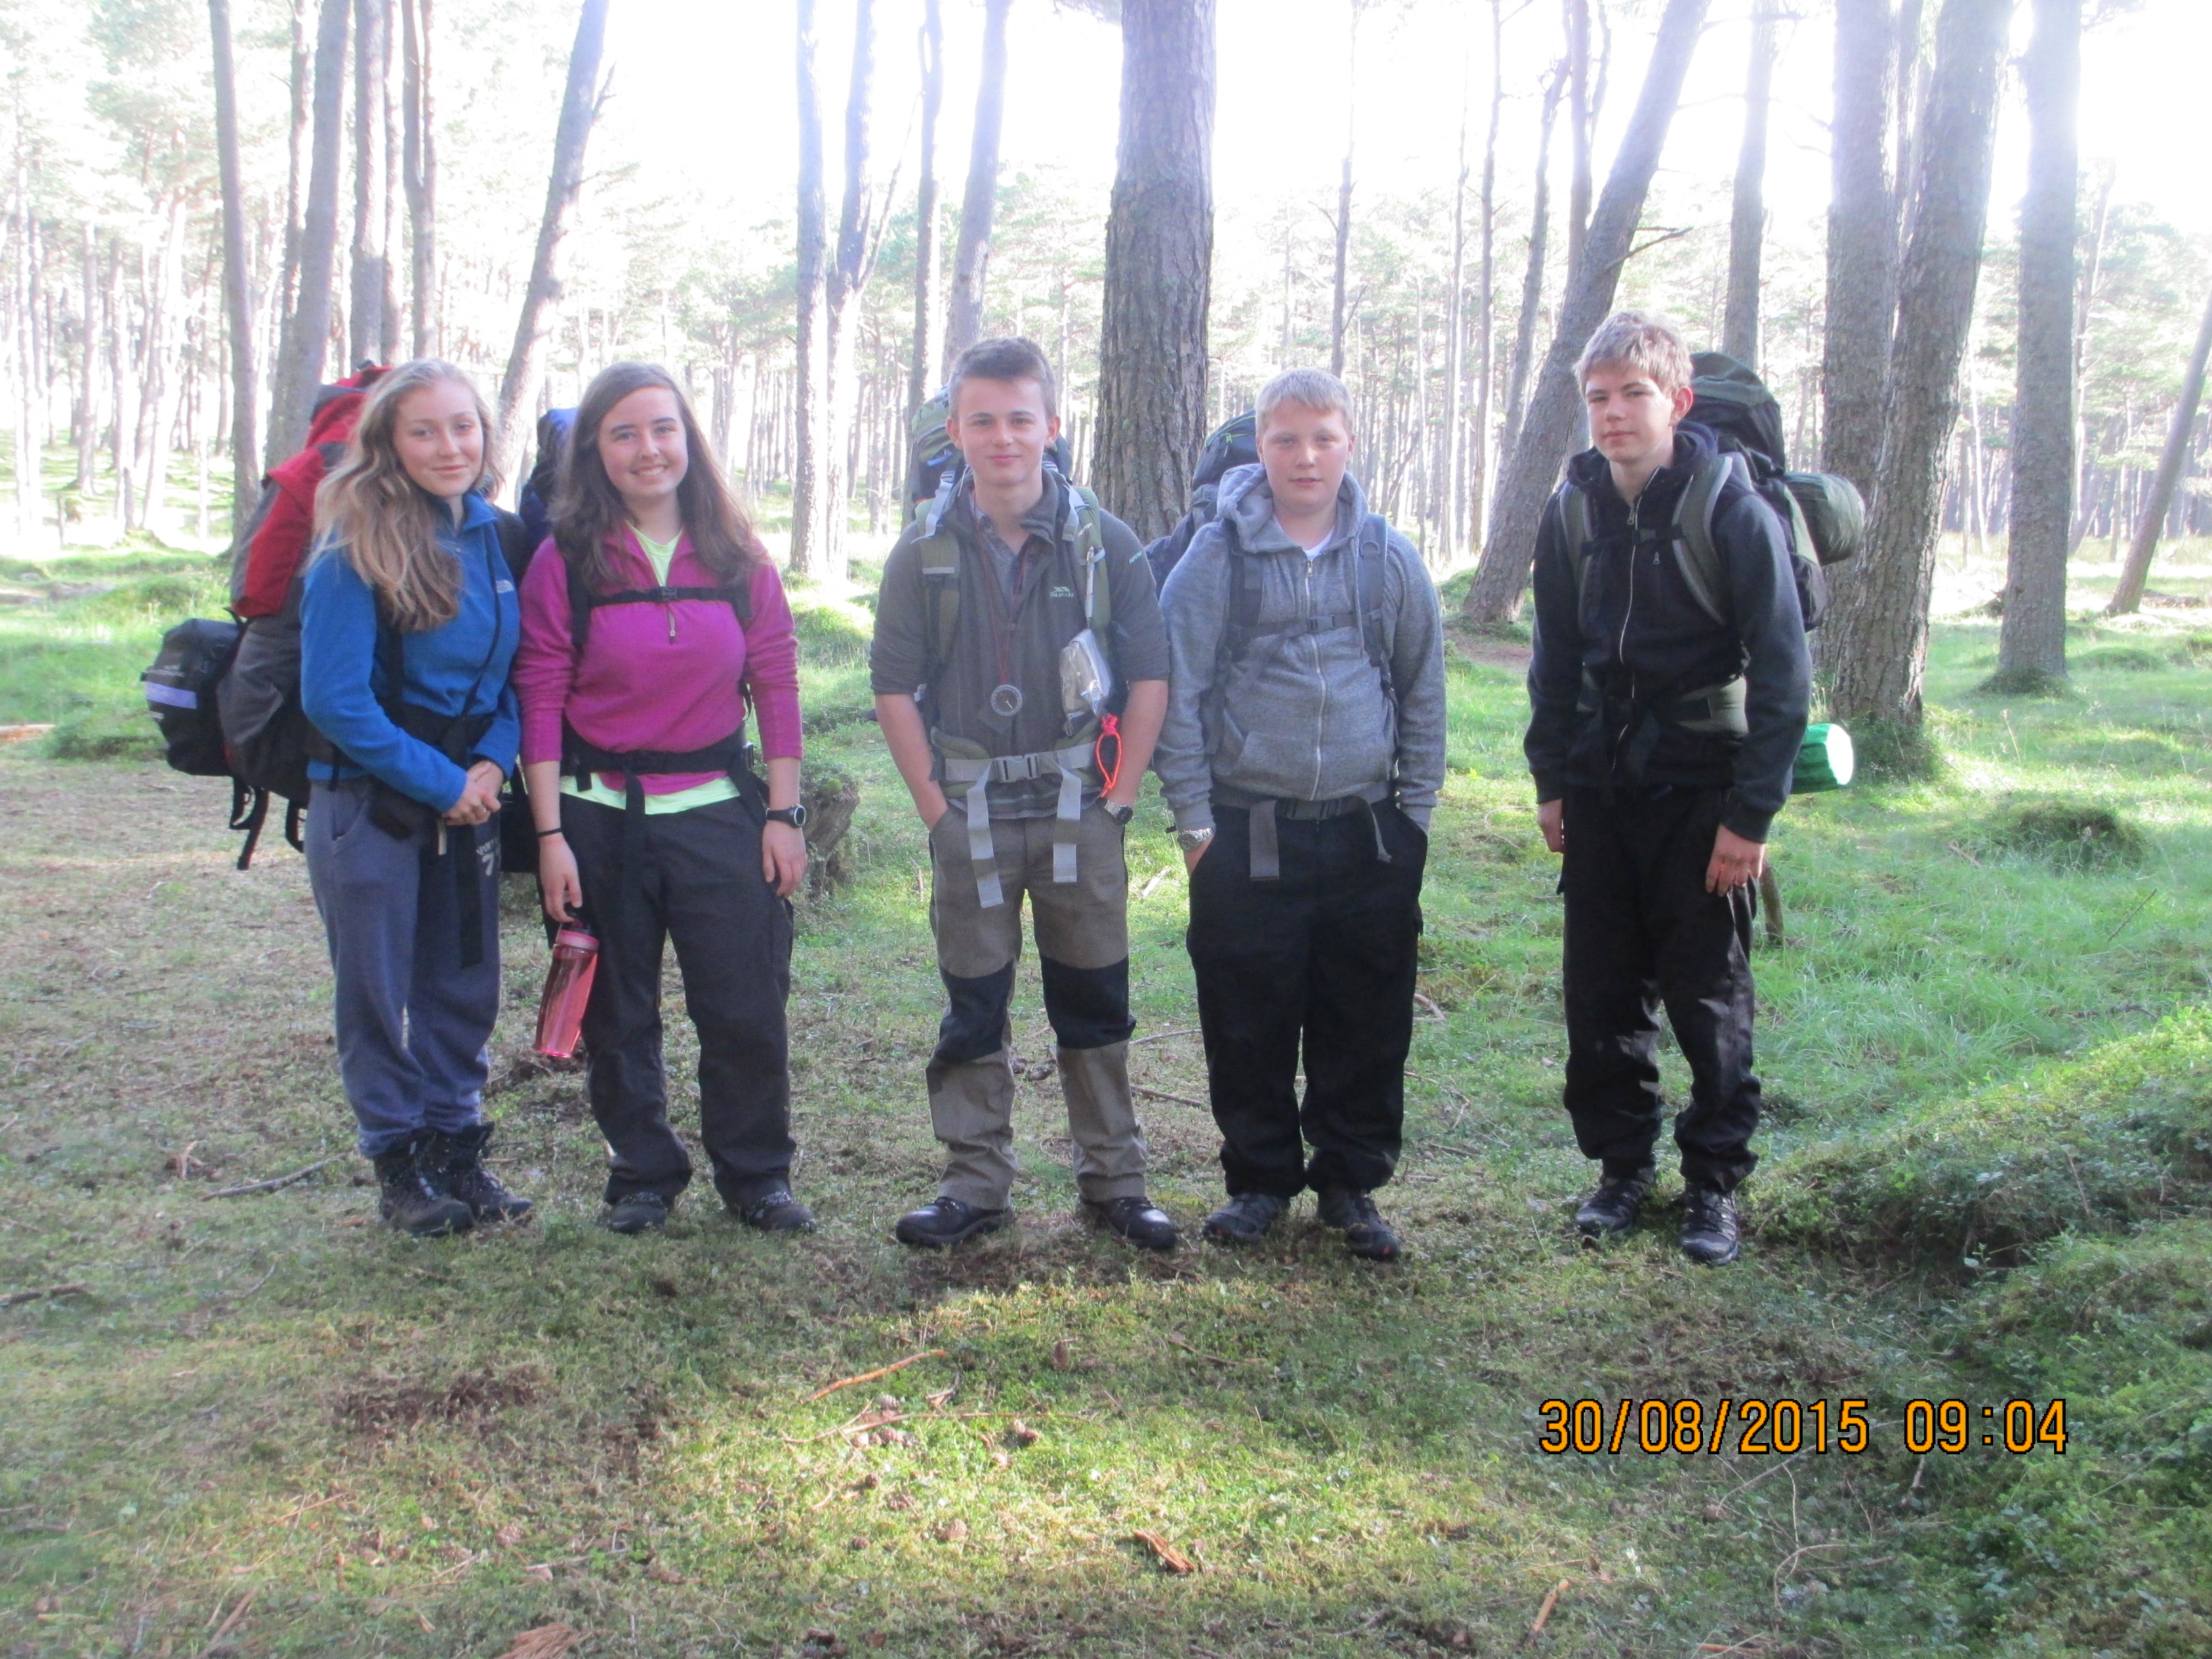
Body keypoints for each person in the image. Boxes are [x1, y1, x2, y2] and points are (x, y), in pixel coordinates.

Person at [869, 337, 1176, 1250]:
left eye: (1019, 418)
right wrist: (935, 811)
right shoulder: (922, 553)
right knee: (974, 1002)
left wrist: (1119, 802)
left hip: (1082, 813)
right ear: (956, 432)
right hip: (971, 818)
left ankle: (1115, 1182)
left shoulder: (1105, 543)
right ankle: (973, 1185)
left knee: (1095, 1001)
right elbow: (892, 688)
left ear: (1051, 426)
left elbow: (1150, 677)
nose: (1002, 438)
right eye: (983, 421)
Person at [1524, 310, 1811, 1267]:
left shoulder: (1731, 508)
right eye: (1598, 397)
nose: (1613, 413)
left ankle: (1714, 1186)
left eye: (1634, 394)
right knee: (1601, 995)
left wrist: (1750, 818)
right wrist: (1552, 781)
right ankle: (1621, 1169)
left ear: (1677, 401)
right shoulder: (1573, 509)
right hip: (1599, 787)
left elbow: (1783, 675)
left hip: (1703, 791)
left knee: (1708, 998)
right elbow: (1553, 660)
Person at [1154, 368, 1447, 1263]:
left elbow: (1423, 689)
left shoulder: (1387, 557)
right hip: (1247, 831)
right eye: (1286, 439)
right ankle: (1259, 1182)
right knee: (1247, 1015)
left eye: (1323, 438)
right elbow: (1176, 692)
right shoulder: (1217, 557)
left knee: (1366, 1017)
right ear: (1262, 447)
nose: (1306, 456)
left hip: (1369, 832)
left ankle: (1350, 1184)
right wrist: (1195, 825)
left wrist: (1414, 818)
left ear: (1349, 443)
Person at [514, 362, 813, 1237]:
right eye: (624, 433)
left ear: (689, 439)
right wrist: (549, 835)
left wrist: (784, 814)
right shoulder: (565, 559)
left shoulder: (736, 552)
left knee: (745, 1006)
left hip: (720, 813)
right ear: (595, 452)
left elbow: (776, 680)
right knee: (617, 1011)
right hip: (597, 818)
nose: (647, 449)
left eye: (662, 428)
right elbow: (539, 694)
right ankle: (642, 1174)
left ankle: (756, 1176)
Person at [299, 359, 530, 1237]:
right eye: (424, 430)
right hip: (367, 803)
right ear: (389, 443)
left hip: (470, 795)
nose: (449, 446)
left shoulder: (498, 538)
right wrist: (443, 784)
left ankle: (457, 1149)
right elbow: (334, 699)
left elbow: (517, 674)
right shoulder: (353, 544)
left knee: (464, 978)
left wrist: (492, 767)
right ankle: (399, 1165)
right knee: (376, 985)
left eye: (463, 426)